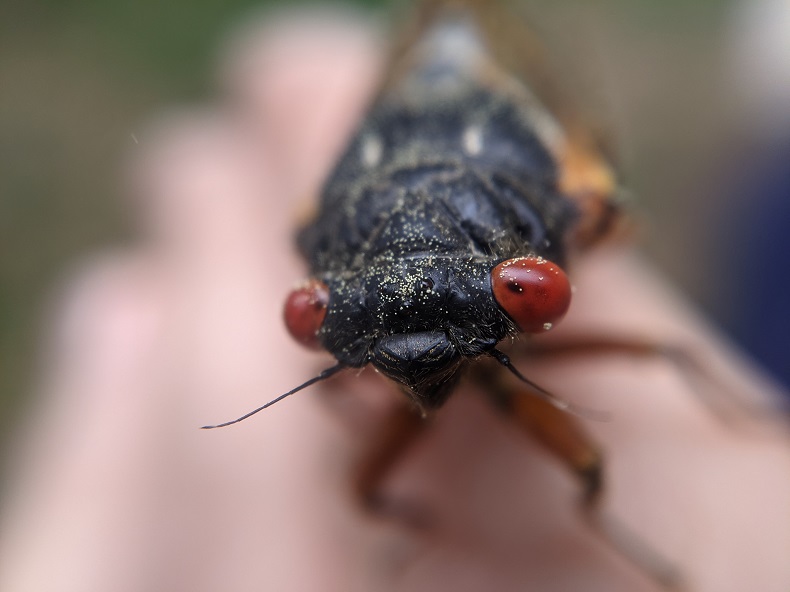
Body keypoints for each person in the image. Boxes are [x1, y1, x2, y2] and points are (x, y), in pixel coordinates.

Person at [1, 12, 789, 592]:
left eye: (524, 294)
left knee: (641, 342)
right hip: (437, 151)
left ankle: (620, 512)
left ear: (536, 274)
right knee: (367, 483)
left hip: (499, 128)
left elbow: (608, 224)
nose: (421, 369)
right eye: (315, 312)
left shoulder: (558, 201)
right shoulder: (350, 243)